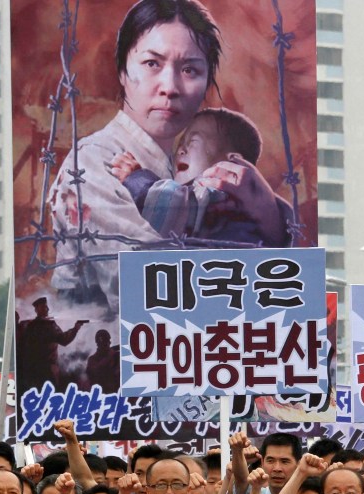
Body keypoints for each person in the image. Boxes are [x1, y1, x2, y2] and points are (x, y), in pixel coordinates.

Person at [48, 0, 291, 312]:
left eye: (190, 69)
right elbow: (148, 285)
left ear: (205, 84)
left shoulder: (196, 164)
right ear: (122, 70)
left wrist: (265, 207)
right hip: (109, 352)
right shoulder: (93, 164)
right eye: (152, 64)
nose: (170, 87)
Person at [111, 107, 286, 244]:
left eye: (192, 142)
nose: (180, 150)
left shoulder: (222, 194)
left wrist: (137, 180)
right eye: (180, 144)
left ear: (233, 163)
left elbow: (173, 207)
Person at [17, 297, 87, 387]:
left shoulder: (30, 326)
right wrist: (76, 328)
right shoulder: (48, 325)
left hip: (33, 369)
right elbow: (64, 340)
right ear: (37, 309)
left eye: (46, 307)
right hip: (48, 369)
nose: (47, 309)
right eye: (44, 307)